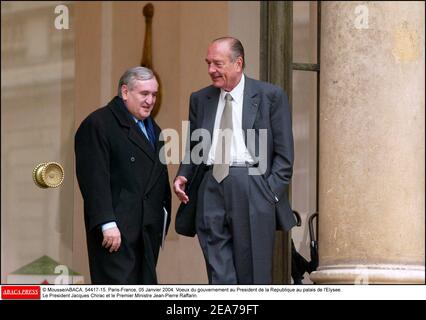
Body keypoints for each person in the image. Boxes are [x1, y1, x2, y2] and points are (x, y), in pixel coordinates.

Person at [173, 37, 296, 284]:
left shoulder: (270, 96)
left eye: (217, 64)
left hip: (252, 185)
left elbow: (284, 155)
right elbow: (194, 147)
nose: (211, 70)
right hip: (210, 186)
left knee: (253, 276)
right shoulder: (200, 99)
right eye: (208, 63)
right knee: (219, 273)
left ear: (238, 63)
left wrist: (269, 193)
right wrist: (183, 174)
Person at [75, 66, 171, 284]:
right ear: (125, 92)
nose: (150, 100)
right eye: (144, 94)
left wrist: (162, 219)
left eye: (154, 94)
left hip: (146, 232)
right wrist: (106, 223)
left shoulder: (154, 129)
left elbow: (158, 178)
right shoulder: (98, 124)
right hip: (116, 234)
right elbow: (94, 180)